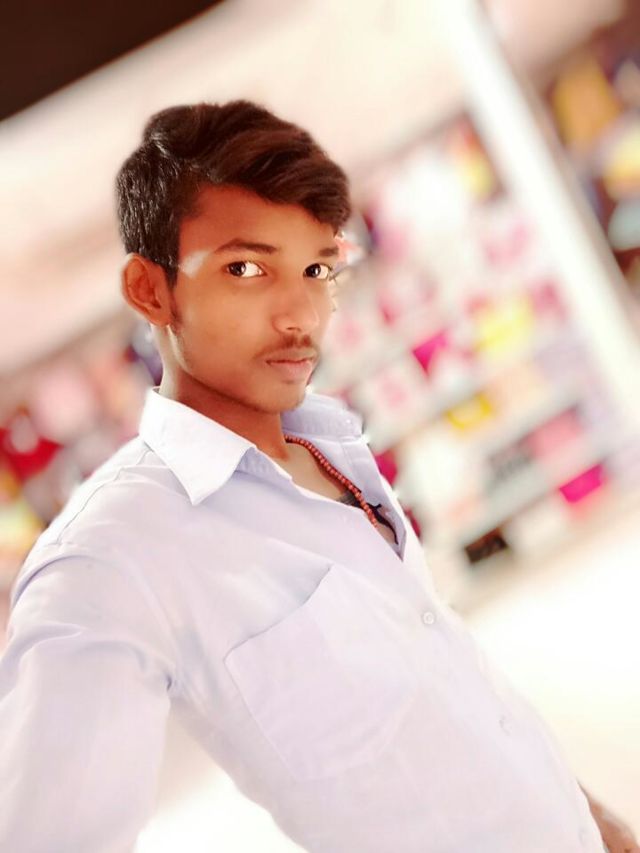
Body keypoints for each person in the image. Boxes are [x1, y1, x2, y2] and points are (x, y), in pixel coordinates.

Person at [0, 100, 636, 853]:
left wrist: (596, 823)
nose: (300, 313)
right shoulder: (113, 553)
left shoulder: (331, 444)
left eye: (317, 269)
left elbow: (452, 692)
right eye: (246, 269)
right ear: (150, 290)